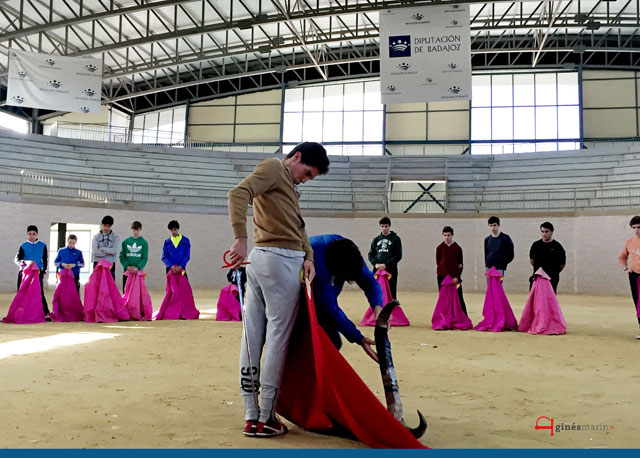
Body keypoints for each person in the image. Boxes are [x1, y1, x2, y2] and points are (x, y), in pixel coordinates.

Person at [227, 141, 329, 438]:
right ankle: (266, 415)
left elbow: (298, 227)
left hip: (261, 261)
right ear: (295, 157)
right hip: (280, 262)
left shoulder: (285, 184)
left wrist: (308, 256)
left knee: (253, 336)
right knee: (277, 337)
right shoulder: (274, 167)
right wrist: (239, 238)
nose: (304, 179)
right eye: (307, 172)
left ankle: (251, 415)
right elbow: (238, 194)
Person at [310, 234, 381, 360]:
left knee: (332, 340)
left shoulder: (349, 253)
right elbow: (330, 309)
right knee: (330, 339)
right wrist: (359, 338)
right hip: (296, 294)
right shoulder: (319, 268)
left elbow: (370, 282)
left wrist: (378, 305)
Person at [15, 224, 50, 320]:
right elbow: (17, 259)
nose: (32, 236)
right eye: (30, 234)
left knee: (39, 293)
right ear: (27, 234)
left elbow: (45, 260)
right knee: (21, 292)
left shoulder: (43, 245)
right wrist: (25, 263)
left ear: (37, 234)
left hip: (37, 273)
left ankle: (46, 313)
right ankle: (19, 313)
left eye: (33, 234)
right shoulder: (23, 245)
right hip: (24, 273)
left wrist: (43, 272)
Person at [435, 226, 467, 315]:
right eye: (445, 235)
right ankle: (443, 318)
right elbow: (438, 262)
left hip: (454, 278)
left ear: (452, 235)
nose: (447, 237)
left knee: (459, 298)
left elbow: (460, 264)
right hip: (442, 277)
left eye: (448, 235)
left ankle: (463, 317)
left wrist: (457, 277)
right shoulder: (440, 248)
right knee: (443, 298)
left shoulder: (457, 248)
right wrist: (442, 273)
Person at [368, 216, 402, 299]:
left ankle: (392, 309)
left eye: (386, 226)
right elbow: (370, 254)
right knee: (377, 291)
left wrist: (386, 264)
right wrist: (375, 264)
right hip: (377, 270)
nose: (384, 228)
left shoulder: (396, 239)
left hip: (390, 270)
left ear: (389, 226)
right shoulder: (376, 240)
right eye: (382, 226)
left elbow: (398, 255)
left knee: (391, 291)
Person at [618, 215, 640, 339]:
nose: (637, 230)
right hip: (635, 275)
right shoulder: (629, 242)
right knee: (638, 302)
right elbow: (622, 257)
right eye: (634, 227)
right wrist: (626, 268)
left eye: (639, 227)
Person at [529, 222, 566, 293]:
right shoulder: (536, 245)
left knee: (549, 300)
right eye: (542, 231)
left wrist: (552, 272)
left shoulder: (557, 247)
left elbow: (562, 265)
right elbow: (532, 261)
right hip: (538, 277)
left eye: (546, 232)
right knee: (535, 298)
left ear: (551, 232)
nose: (544, 234)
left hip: (552, 277)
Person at [120, 221, 149, 292]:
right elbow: (122, 256)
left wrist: (138, 267)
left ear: (140, 230)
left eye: (137, 230)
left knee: (137, 293)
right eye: (134, 230)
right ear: (131, 230)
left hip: (138, 272)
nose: (135, 232)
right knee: (126, 292)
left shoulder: (144, 243)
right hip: (127, 271)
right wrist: (127, 266)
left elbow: (144, 258)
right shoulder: (125, 242)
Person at [92, 215, 120, 280]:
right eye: (105, 225)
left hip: (110, 264)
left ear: (111, 226)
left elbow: (115, 250)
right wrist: (108, 252)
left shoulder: (115, 237)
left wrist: (102, 249)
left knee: (110, 284)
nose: (106, 228)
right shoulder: (96, 237)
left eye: (108, 226)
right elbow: (95, 252)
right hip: (98, 263)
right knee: (97, 283)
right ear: (102, 225)